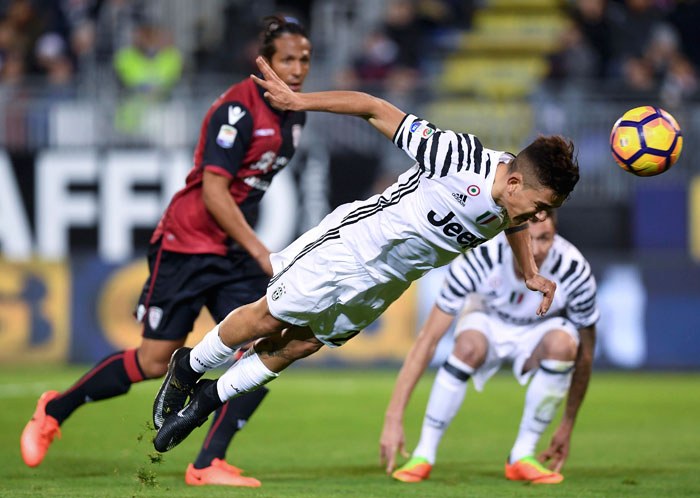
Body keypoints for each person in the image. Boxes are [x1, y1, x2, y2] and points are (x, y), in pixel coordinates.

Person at [150, 55, 580, 454]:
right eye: (542, 205)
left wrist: (529, 271)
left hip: (388, 282)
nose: (542, 217)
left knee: (301, 345)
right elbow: (372, 107)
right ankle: (189, 367)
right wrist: (299, 100)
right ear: (514, 183)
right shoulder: (457, 157)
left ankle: (209, 398)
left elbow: (516, 223)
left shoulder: (515, 203)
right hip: (352, 248)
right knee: (270, 317)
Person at [20, 16, 312, 487]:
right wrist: (261, 250)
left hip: (232, 250)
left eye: (304, 60)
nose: (297, 69)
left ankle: (207, 462)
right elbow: (215, 192)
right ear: (265, 61)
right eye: (287, 60)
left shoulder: (294, 112)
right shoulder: (237, 111)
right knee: (156, 361)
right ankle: (54, 410)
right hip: (189, 244)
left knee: (269, 344)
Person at [382, 212, 598, 485]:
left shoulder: (574, 268)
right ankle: (424, 453)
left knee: (565, 344)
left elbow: (587, 352)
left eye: (545, 238)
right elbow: (428, 340)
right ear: (512, 237)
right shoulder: (480, 257)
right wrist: (393, 417)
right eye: (528, 239)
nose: (536, 249)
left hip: (538, 334)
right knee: (468, 345)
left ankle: (522, 455)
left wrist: (567, 425)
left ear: (555, 236)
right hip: (488, 323)